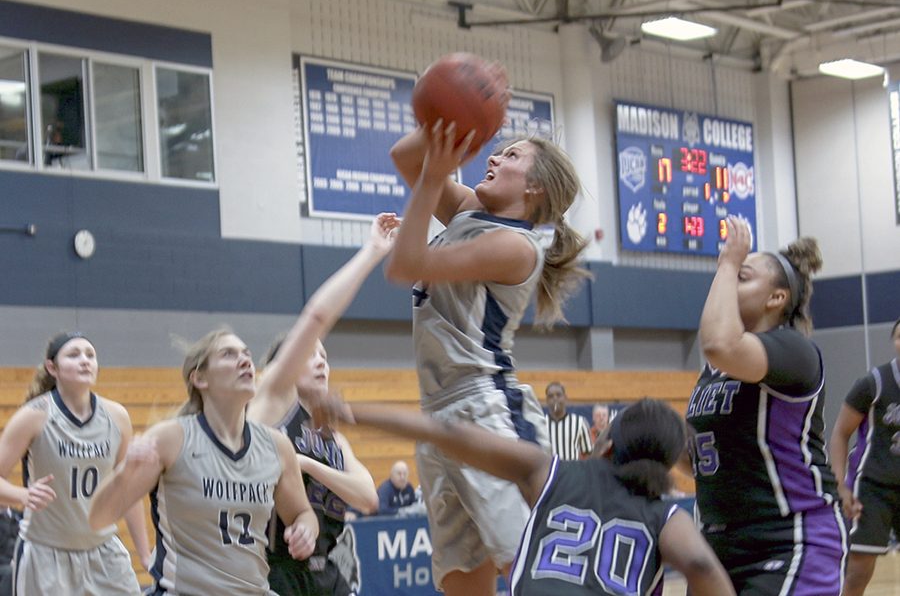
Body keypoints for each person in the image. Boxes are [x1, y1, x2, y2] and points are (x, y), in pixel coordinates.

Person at [387, 114, 591, 595]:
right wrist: (446, 126)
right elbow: (403, 156)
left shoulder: (516, 246)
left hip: (486, 410)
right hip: (436, 414)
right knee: (462, 580)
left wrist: (437, 172)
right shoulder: (469, 208)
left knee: (530, 567)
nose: (495, 156)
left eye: (512, 154)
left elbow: (407, 263)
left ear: (536, 187)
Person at [317, 396, 734, 595]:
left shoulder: (548, 469)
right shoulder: (665, 516)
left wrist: (352, 412)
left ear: (605, 444)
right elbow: (699, 563)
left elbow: (447, 432)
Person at [88, 329, 319, 595]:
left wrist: (305, 530)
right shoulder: (171, 439)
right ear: (199, 378)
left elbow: (302, 513)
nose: (245, 361)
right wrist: (125, 472)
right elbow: (98, 519)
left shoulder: (276, 447)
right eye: (228, 354)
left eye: (246, 354)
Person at [687, 217, 846, 595]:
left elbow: (719, 342)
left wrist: (728, 262)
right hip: (719, 544)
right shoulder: (715, 372)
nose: (728, 280)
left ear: (777, 298)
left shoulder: (795, 351)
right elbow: (706, 454)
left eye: (742, 277)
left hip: (790, 537)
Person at [247, 213, 396, 595]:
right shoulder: (273, 407)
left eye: (325, 356)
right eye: (309, 354)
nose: (320, 361)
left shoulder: (333, 439)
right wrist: (371, 253)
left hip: (325, 570)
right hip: (272, 569)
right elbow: (316, 317)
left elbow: (368, 499)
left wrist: (309, 464)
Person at [0, 332, 150, 596]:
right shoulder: (34, 416)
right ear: (52, 368)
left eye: (90, 355)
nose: (85, 361)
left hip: (103, 551)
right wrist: (23, 494)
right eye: (74, 355)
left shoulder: (116, 416)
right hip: (46, 553)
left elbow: (127, 489)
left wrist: (145, 554)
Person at [829, 317, 900, 596]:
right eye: (899, 336)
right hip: (873, 487)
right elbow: (839, 433)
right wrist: (840, 485)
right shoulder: (874, 383)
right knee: (859, 570)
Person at [544, 382, 591, 460]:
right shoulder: (540, 424)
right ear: (547, 401)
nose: (555, 398)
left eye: (558, 395)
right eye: (551, 396)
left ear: (565, 398)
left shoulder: (579, 423)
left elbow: (588, 452)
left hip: (571, 471)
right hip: (548, 471)